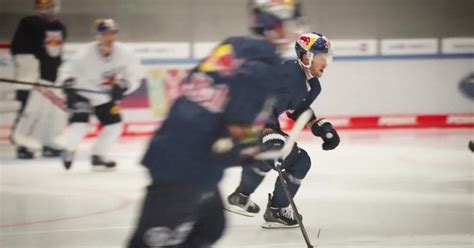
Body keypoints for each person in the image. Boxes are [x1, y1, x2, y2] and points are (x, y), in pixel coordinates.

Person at [127, 1, 304, 247]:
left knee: (211, 225)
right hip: (187, 165)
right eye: (292, 22)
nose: (295, 29)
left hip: (172, 146)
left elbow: (207, 96)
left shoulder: (232, 46)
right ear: (276, 27)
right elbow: (234, 136)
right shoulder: (265, 70)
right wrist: (251, 150)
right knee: (152, 241)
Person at [225, 32, 341, 229]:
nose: (325, 63)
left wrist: (320, 127)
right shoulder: (286, 74)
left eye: (327, 58)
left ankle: (241, 196)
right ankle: (277, 210)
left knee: (267, 156)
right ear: (306, 57)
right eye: (321, 58)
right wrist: (269, 131)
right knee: (299, 161)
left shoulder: (313, 86)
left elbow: (297, 109)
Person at [57, 19, 145, 170]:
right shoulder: (84, 54)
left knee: (114, 126)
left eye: (112, 33)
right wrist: (67, 81)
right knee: (80, 124)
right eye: (104, 34)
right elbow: (67, 71)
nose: (108, 37)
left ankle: (99, 156)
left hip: (104, 95)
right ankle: (69, 150)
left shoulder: (125, 53)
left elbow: (135, 75)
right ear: (97, 36)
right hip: (81, 91)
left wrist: (124, 85)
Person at [10, 0, 66, 159]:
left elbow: (56, 53)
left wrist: (56, 75)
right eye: (45, 5)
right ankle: (24, 144)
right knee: (29, 111)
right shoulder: (28, 23)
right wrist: (30, 77)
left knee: (51, 113)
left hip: (50, 79)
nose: (50, 9)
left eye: (53, 4)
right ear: (38, 6)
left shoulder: (59, 27)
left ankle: (49, 143)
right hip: (31, 78)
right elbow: (19, 50)